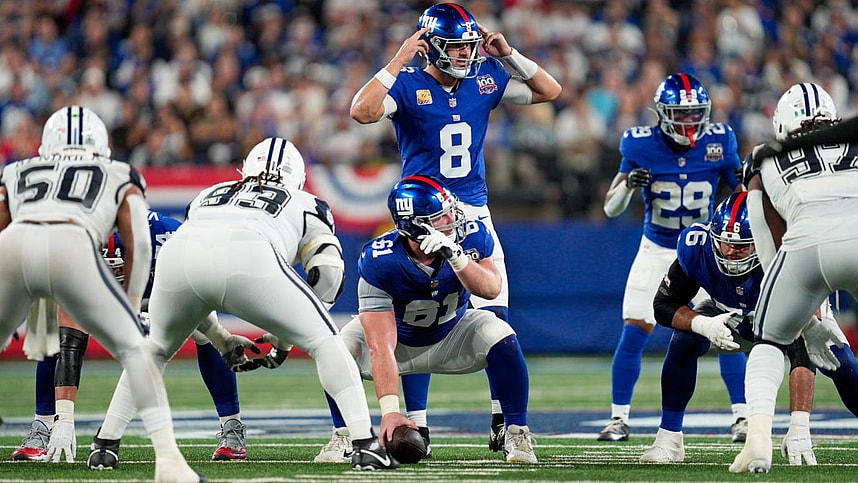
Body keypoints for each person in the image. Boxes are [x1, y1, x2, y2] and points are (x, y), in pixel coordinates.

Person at [88, 136, 398, 471]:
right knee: (326, 341)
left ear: (245, 169)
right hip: (250, 253)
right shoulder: (307, 202)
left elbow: (203, 278)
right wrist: (286, 335)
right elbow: (328, 275)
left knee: (156, 349)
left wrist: (221, 339)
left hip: (179, 255)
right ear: (297, 176)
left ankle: (105, 444)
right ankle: (364, 443)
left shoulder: (209, 194)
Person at [349, 1, 561, 453]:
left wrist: (508, 53)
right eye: (457, 47)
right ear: (429, 47)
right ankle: (417, 422)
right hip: (420, 213)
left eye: (469, 47)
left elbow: (549, 90)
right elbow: (362, 111)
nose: (466, 55)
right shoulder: (407, 83)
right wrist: (400, 57)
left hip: (471, 212)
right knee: (416, 309)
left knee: (496, 313)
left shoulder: (485, 78)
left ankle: (504, 419)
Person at [0, 105, 202, 482]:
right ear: (100, 144)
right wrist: (129, 305)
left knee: (46, 325)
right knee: (137, 352)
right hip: (72, 242)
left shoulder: (16, 170)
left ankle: (51, 424)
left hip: (14, 245)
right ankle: (169, 462)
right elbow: (139, 244)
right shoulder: (119, 172)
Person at [319, 175, 536, 464]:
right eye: (441, 216)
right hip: (400, 341)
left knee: (501, 335)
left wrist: (458, 258)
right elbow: (380, 347)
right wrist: (390, 412)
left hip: (451, 333)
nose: (451, 219)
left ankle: (516, 431)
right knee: (340, 348)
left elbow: (490, 288)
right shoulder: (380, 259)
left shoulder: (470, 236)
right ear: (416, 227)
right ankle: (345, 434)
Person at [641, 191, 858, 465]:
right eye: (724, 243)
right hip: (727, 313)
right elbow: (663, 305)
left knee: (843, 366)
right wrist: (703, 324)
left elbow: (802, 344)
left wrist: (799, 424)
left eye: (741, 246)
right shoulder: (698, 247)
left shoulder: (789, 252)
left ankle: (798, 433)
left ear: (761, 241)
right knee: (684, 338)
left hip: (790, 314)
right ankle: (668, 440)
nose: (731, 251)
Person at [600, 73, 746, 442]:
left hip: (705, 250)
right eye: (680, 114)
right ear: (662, 114)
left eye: (695, 113)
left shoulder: (719, 140)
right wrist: (627, 185)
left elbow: (743, 196)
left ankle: (743, 417)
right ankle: (619, 418)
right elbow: (611, 208)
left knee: (726, 330)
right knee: (635, 328)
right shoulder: (639, 144)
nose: (689, 122)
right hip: (658, 246)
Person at [731, 82, 858, 473]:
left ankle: (757, 441)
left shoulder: (762, 159)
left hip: (803, 248)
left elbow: (766, 231)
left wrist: (795, 314)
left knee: (767, 340)